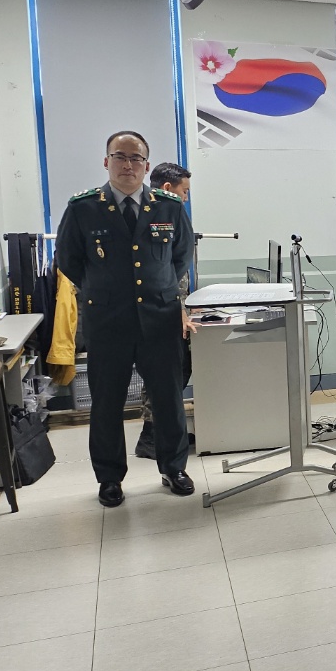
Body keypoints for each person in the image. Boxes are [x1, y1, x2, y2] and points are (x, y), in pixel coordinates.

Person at [54, 131, 195, 507]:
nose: (128, 165)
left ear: (147, 166)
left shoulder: (168, 206)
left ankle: (173, 467)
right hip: (108, 321)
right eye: (120, 157)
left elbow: (181, 256)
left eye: (136, 159)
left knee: (167, 399)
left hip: (159, 317)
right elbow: (68, 260)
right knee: (106, 402)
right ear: (106, 162)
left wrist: (161, 287)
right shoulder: (84, 208)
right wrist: (101, 288)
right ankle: (110, 478)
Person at [135, 162, 196, 460]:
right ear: (169, 188)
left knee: (178, 367)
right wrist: (176, 310)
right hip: (157, 311)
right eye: (185, 192)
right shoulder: (145, 217)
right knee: (164, 372)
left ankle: (164, 431)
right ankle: (151, 437)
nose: (186, 198)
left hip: (172, 306)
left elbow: (178, 263)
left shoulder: (170, 215)